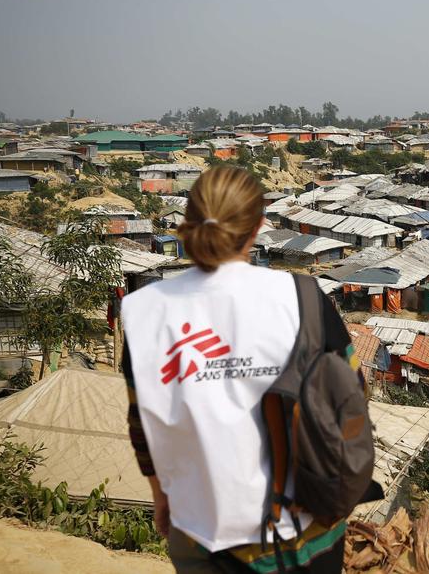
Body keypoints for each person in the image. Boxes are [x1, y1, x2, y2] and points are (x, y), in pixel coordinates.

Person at [122, 166, 365, 573]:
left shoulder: (145, 312)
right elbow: (352, 393)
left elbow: (142, 426)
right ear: (258, 227)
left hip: (202, 530)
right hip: (304, 532)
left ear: (190, 223)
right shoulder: (301, 297)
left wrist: (161, 496)